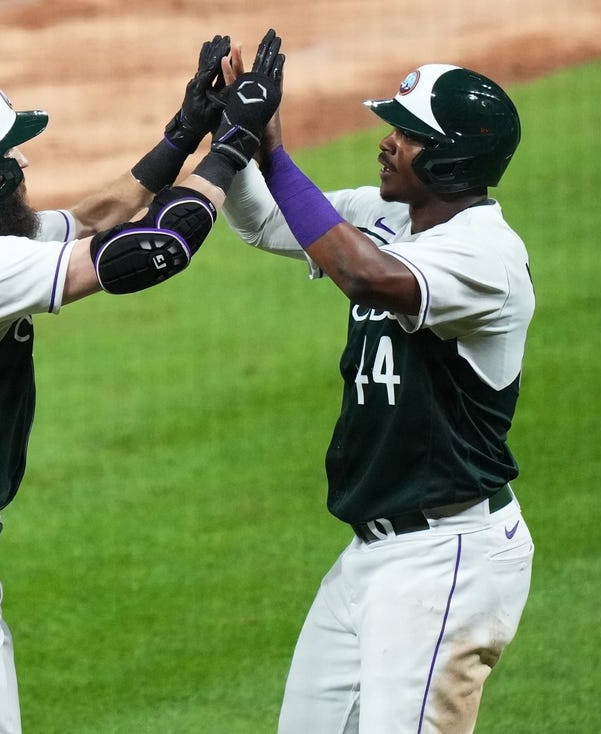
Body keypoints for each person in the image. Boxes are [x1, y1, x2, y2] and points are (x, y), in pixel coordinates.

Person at [0, 32, 284, 734]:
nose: (23, 159)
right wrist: (233, 146)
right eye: (9, 151)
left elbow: (96, 217)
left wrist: (185, 130)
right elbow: (151, 249)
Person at [220, 50, 535, 733]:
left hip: (446, 557)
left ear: (452, 161)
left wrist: (276, 153)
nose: (388, 141)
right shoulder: (384, 217)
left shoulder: (487, 258)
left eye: (410, 133)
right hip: (373, 553)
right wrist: (237, 138)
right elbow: (263, 221)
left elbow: (364, 276)